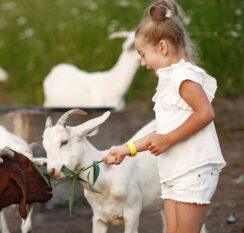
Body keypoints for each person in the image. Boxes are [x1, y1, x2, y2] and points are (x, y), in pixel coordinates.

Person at [102, 1, 226, 233]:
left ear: (162, 47)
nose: (143, 62)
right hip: (174, 170)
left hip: (193, 169)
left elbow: (205, 113)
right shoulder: (169, 80)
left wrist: (169, 140)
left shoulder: (183, 76)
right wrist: (126, 149)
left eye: (143, 54)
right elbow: (162, 130)